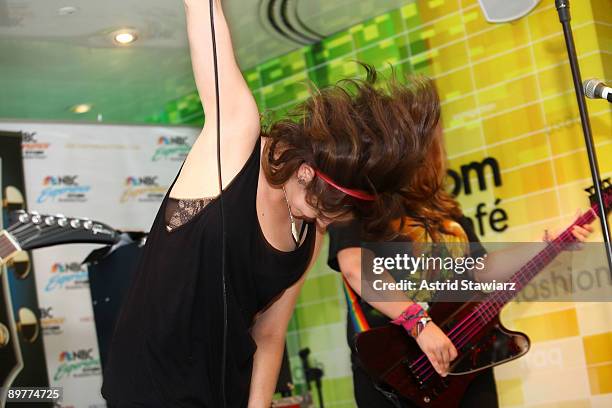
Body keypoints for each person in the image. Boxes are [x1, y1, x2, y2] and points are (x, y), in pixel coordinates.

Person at [100, 0, 438, 407]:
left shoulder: (308, 236)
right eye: (319, 210)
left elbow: (269, 334)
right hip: (147, 386)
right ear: (306, 172)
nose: (320, 222)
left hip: (224, 391)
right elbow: (205, 18)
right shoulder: (236, 143)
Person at [327, 103, 594, 406]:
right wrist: (421, 326)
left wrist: (546, 244)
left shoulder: (443, 208)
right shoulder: (361, 202)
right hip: (398, 377)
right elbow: (355, 267)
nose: (440, 146)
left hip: (464, 361)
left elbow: (481, 268)